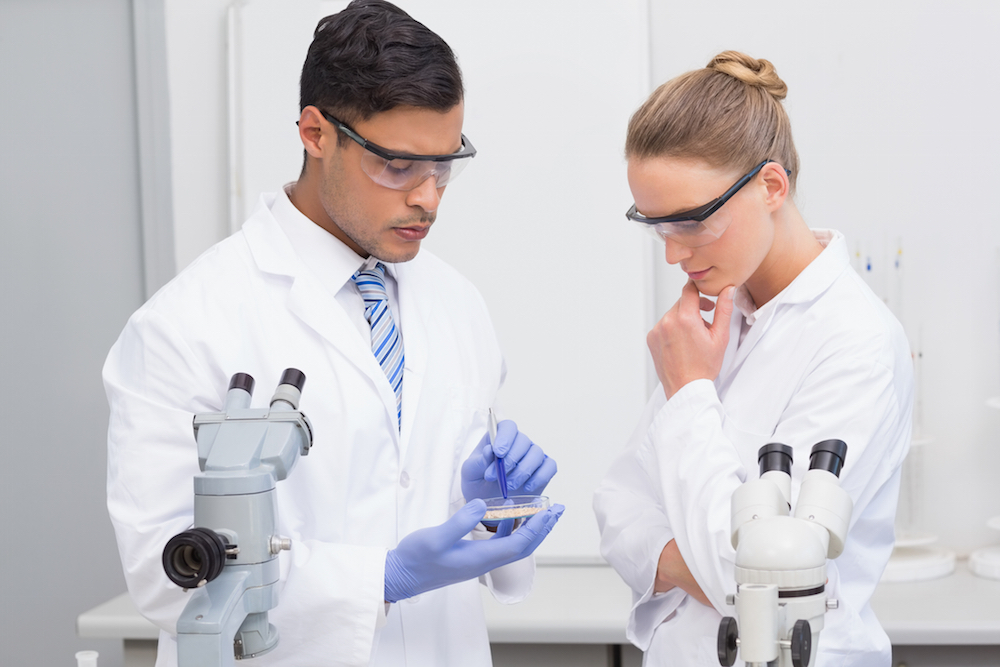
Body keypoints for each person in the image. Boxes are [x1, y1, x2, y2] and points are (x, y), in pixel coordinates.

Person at [104, 2, 563, 665]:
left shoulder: (457, 302)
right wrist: (377, 578)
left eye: (444, 164)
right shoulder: (184, 326)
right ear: (317, 133)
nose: (429, 198)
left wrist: (489, 507)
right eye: (399, 166)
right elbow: (163, 570)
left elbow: (412, 490)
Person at [593, 51, 913, 666]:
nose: (673, 255)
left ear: (771, 185)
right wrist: (718, 571)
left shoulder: (856, 342)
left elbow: (767, 578)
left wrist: (689, 393)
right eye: (658, 227)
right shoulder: (717, 317)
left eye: (691, 222)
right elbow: (617, 508)